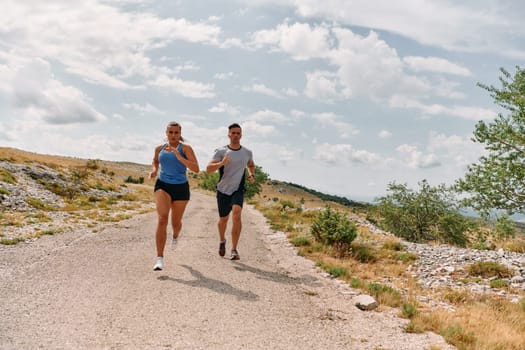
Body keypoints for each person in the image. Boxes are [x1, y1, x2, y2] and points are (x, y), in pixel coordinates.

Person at [148, 121, 199, 271]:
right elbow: (156, 161)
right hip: (163, 185)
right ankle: (159, 258)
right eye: (170, 132)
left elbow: (196, 169)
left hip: (181, 187)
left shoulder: (186, 148)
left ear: (180, 134)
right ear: (166, 133)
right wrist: (154, 170)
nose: (173, 135)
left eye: (176, 133)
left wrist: (179, 156)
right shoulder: (159, 148)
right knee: (163, 218)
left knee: (175, 223)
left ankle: (175, 235)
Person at [206, 123, 255, 260]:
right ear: (228, 134)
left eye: (238, 133)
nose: (235, 135)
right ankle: (222, 240)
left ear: (241, 135)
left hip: (237, 189)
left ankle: (234, 249)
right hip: (223, 190)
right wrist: (221, 163)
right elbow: (208, 169)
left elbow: (251, 164)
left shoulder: (247, 152)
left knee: (237, 213)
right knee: (223, 220)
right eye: (233, 133)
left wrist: (251, 174)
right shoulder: (221, 151)